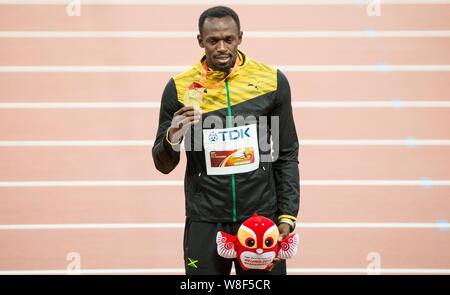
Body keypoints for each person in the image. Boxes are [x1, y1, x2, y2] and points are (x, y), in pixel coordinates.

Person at [152, 6, 299, 275]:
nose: (222, 47)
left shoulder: (272, 82)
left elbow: (286, 152)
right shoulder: (179, 88)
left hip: (259, 218)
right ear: (200, 41)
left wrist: (287, 217)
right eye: (213, 40)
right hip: (205, 220)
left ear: (240, 38)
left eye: (228, 39)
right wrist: (172, 136)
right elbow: (162, 164)